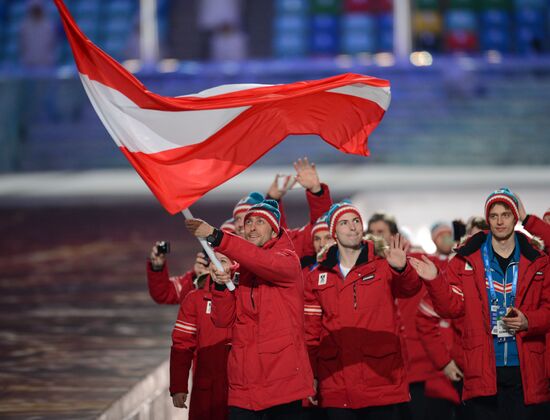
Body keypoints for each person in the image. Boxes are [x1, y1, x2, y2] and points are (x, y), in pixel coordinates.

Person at [410, 188, 550, 419]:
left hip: (526, 370)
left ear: (515, 217)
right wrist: (435, 280)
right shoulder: (465, 260)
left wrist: (528, 321)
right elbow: (450, 308)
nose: (499, 221)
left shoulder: (537, 260)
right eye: (494, 216)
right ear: (488, 220)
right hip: (482, 369)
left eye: (505, 214)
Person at [185, 199, 314, 419]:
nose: (251, 227)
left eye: (260, 222)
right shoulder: (242, 271)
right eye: (249, 222)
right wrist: (220, 284)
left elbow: (263, 262)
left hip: (280, 383)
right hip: (243, 384)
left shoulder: (288, 261)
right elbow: (223, 320)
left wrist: (217, 236)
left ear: (274, 231)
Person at [304, 201, 422, 419]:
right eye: (345, 223)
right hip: (336, 381)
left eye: (356, 221)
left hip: (380, 377)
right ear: (334, 233)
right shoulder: (318, 276)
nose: (353, 227)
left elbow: (410, 289)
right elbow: (311, 333)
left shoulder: (383, 264)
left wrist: (402, 269)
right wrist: (310, 374)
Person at [170, 252, 235, 419]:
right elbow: (182, 345)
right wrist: (178, 386)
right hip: (206, 392)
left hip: (239, 391)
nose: (217, 265)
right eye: (213, 260)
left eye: (222, 261)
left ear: (234, 265)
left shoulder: (246, 296)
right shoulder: (194, 299)